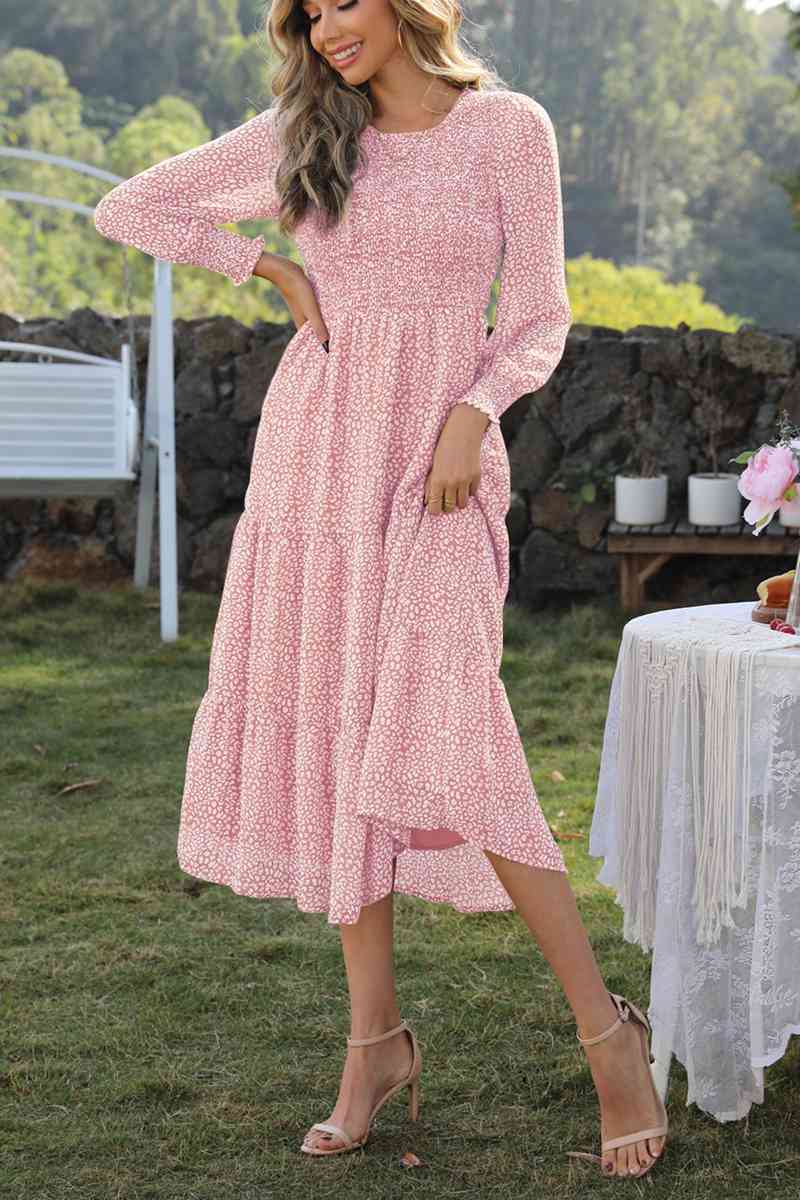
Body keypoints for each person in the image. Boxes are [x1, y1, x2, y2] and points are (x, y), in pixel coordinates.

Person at [93, 0, 668, 1178]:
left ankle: (605, 1032)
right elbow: (131, 206)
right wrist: (267, 265)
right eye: (305, 13)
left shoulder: (505, 128)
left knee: (458, 730)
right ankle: (374, 1043)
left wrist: (472, 414)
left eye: (340, 2)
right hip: (317, 461)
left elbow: (540, 316)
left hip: (439, 473)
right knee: (344, 730)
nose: (322, 29)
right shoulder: (308, 131)